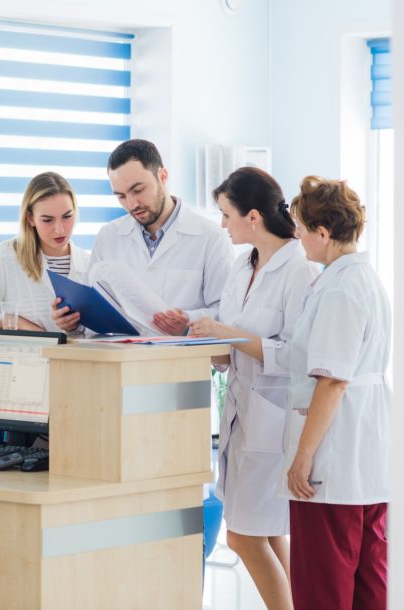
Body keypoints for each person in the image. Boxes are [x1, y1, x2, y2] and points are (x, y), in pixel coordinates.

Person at [189, 167, 319, 610]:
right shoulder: (240, 265)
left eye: (226, 215)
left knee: (244, 537)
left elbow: (297, 356)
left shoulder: (298, 269)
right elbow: (231, 347)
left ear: (253, 218)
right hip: (242, 412)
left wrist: (225, 332)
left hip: (277, 419)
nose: (222, 225)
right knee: (266, 533)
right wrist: (205, 339)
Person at [280, 177, 390, 610]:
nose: (298, 238)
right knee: (369, 581)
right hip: (365, 457)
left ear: (323, 233)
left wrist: (302, 458)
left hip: (332, 461)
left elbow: (332, 380)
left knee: (322, 586)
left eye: (301, 229)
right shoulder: (363, 280)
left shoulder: (341, 289)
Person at [52, 139, 232, 335]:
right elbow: (94, 309)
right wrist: (74, 321)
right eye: (121, 196)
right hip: (123, 362)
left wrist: (188, 322)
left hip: (181, 361)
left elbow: (226, 314)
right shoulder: (108, 236)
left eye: (138, 190)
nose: (132, 204)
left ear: (162, 176)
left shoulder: (211, 237)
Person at [0, 171, 90, 331]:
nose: (59, 229)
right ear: (30, 218)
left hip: (75, 356)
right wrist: (17, 323)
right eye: (47, 220)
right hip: (24, 355)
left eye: (67, 216)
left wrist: (74, 326)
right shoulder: (4, 256)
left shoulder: (89, 264)